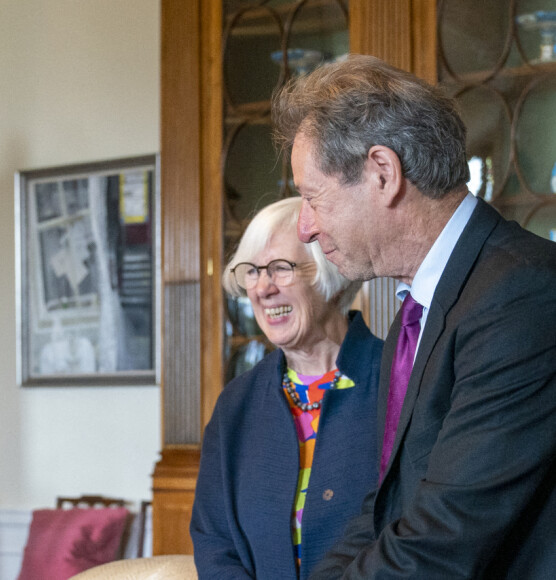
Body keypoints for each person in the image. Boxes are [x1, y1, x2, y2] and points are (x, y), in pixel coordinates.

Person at [271, 54, 556, 579]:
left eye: (313, 198)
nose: (305, 228)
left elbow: (445, 536)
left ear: (383, 173)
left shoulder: (522, 294)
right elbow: (385, 510)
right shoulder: (416, 311)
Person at [190, 197, 383, 579]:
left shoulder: (398, 378)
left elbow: (414, 528)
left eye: (280, 268)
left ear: (331, 273)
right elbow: (213, 540)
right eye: (252, 271)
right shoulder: (237, 404)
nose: (262, 288)